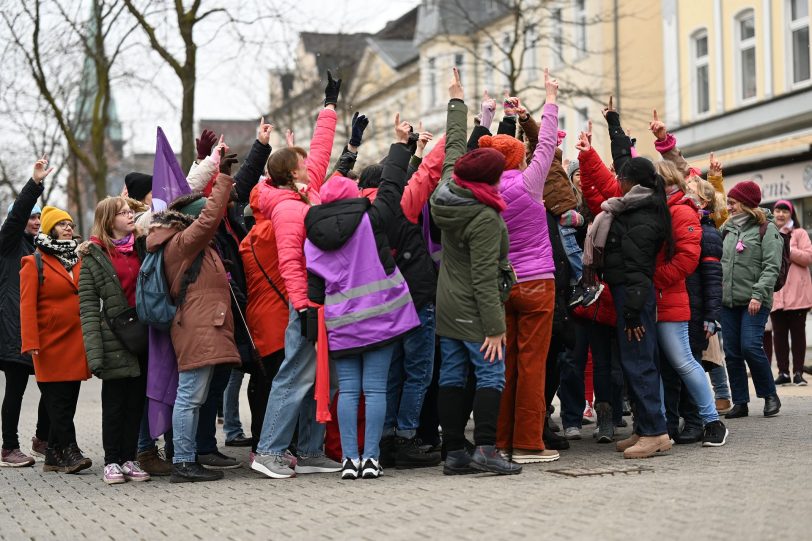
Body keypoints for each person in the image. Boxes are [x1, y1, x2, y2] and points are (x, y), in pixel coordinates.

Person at [305, 119, 420, 480]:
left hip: (341, 322)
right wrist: (401, 146)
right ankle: (371, 458)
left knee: (350, 391)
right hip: (381, 318)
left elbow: (314, 289)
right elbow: (390, 189)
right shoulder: (371, 219)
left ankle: (348, 460)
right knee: (375, 390)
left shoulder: (313, 236)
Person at [251, 71, 343, 479]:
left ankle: (309, 450)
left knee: (320, 377)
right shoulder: (288, 208)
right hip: (306, 302)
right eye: (302, 163)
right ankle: (268, 451)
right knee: (294, 376)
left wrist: (329, 106)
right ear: (291, 173)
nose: (311, 165)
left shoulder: (305, 194)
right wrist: (303, 306)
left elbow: (321, 152)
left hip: (324, 300)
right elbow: (290, 263)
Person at [431, 67, 520, 476]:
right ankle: (485, 448)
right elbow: (485, 277)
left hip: (447, 301)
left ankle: (453, 452)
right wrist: (495, 327)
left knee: (451, 372)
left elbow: (452, 148)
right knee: (491, 372)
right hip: (473, 305)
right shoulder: (483, 217)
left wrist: (456, 101)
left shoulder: (447, 188)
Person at [477, 69, 560, 464]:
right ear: (519, 158)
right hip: (538, 283)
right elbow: (546, 142)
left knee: (504, 363)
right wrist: (550, 98)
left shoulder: (481, 191)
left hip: (500, 285)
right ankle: (528, 443)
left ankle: (502, 441)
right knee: (532, 364)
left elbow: (467, 154)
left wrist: (485, 114)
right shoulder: (529, 183)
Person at [146, 150, 242, 483]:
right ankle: (184, 461)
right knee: (190, 396)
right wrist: (224, 179)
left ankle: (185, 458)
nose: (209, 224)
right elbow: (209, 215)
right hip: (197, 328)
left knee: (194, 396)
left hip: (203, 326)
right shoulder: (184, 242)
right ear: (191, 220)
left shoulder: (192, 245)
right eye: (201, 219)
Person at [580, 143, 672, 459]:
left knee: (640, 363)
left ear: (631, 182)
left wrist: (632, 313)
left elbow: (637, 270)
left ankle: (656, 433)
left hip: (634, 299)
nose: (617, 182)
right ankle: (644, 429)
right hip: (627, 297)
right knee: (635, 363)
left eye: (621, 177)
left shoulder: (642, 216)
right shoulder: (632, 208)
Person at [652, 160, 727, 447]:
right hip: (663, 300)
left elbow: (700, 270)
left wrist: (711, 314)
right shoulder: (663, 210)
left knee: (685, 363)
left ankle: (710, 421)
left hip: (677, 303)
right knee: (665, 369)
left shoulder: (683, 213)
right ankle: (664, 426)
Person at [79, 197, 151, 485]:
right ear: (109, 221)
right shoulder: (93, 256)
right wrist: (94, 354)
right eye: (122, 213)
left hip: (143, 334)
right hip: (114, 338)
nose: (129, 216)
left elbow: (151, 211)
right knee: (115, 403)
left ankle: (129, 458)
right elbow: (86, 308)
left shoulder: (143, 247)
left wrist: (131, 201)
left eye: (129, 212)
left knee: (136, 401)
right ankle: (111, 461)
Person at [20, 205, 92, 473]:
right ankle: (71, 451)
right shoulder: (33, 262)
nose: (69, 228)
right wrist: (30, 343)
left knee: (69, 399)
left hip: (76, 341)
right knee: (57, 401)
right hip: (48, 344)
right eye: (62, 224)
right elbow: (26, 306)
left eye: (71, 224)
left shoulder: (77, 258)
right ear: (50, 228)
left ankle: (52, 454)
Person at [0, 157, 51, 467]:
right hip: (13, 329)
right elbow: (17, 215)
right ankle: (8, 447)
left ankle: (42, 439)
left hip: (38, 329)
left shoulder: (39, 248)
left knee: (50, 384)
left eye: (38, 217)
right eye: (31, 217)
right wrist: (34, 186)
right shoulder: (8, 243)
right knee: (16, 389)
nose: (34, 220)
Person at [720, 181, 783, 418]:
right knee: (732, 352)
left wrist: (758, 294)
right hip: (728, 302)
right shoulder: (728, 228)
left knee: (749, 345)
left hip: (755, 301)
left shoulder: (766, 229)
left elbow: (771, 266)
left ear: (746, 204)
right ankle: (740, 402)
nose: (729, 207)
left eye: (733, 203)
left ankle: (769, 395)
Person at [769, 200, 811, 386]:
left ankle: (799, 373)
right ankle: (783, 372)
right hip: (776, 295)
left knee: (798, 336)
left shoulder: (799, 233)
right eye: (777, 210)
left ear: (791, 214)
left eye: (785, 211)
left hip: (798, 296)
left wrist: (787, 247)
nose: (780, 214)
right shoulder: (769, 233)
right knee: (778, 336)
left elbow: (807, 257)